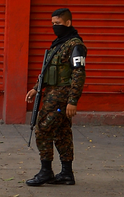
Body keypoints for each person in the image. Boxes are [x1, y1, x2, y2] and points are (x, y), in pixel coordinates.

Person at [24, 7, 86, 186]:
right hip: (52, 94)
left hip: (61, 97)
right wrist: (37, 87)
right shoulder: (59, 43)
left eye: (57, 24)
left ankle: (46, 171)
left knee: (43, 129)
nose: (54, 27)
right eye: (52, 24)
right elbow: (49, 70)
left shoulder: (75, 45)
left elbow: (78, 74)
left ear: (68, 23)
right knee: (62, 132)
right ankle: (66, 173)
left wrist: (72, 101)